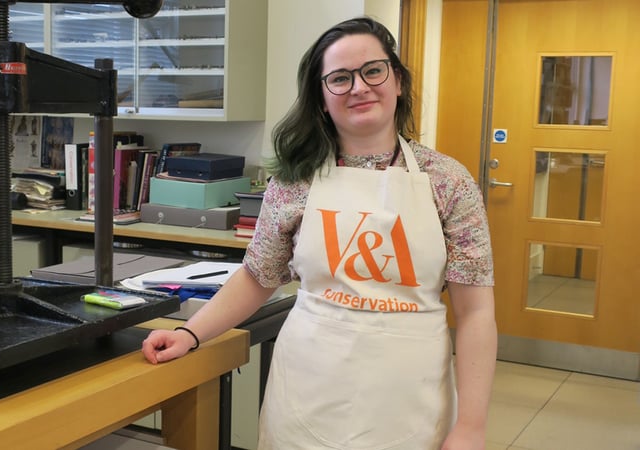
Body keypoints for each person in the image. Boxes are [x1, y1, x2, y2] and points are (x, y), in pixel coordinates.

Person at [142, 16, 497, 450]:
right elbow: (258, 276)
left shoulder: (449, 182)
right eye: (340, 78)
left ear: (398, 81)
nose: (359, 87)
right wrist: (188, 334)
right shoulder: (295, 181)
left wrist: (471, 427)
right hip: (309, 392)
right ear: (322, 99)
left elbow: (476, 312)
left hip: (411, 395)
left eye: (373, 71)